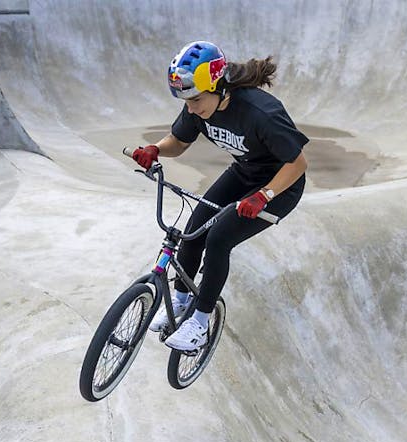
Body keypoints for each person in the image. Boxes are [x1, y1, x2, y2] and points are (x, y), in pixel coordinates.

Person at [132, 41, 309, 353]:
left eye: (196, 100)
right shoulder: (199, 105)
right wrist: (155, 149)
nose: (191, 108)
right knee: (192, 231)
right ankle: (181, 301)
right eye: (185, 101)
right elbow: (178, 140)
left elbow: (298, 164)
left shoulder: (261, 113)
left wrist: (264, 196)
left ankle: (200, 322)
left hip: (280, 186)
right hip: (244, 173)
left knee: (218, 240)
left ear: (218, 86)